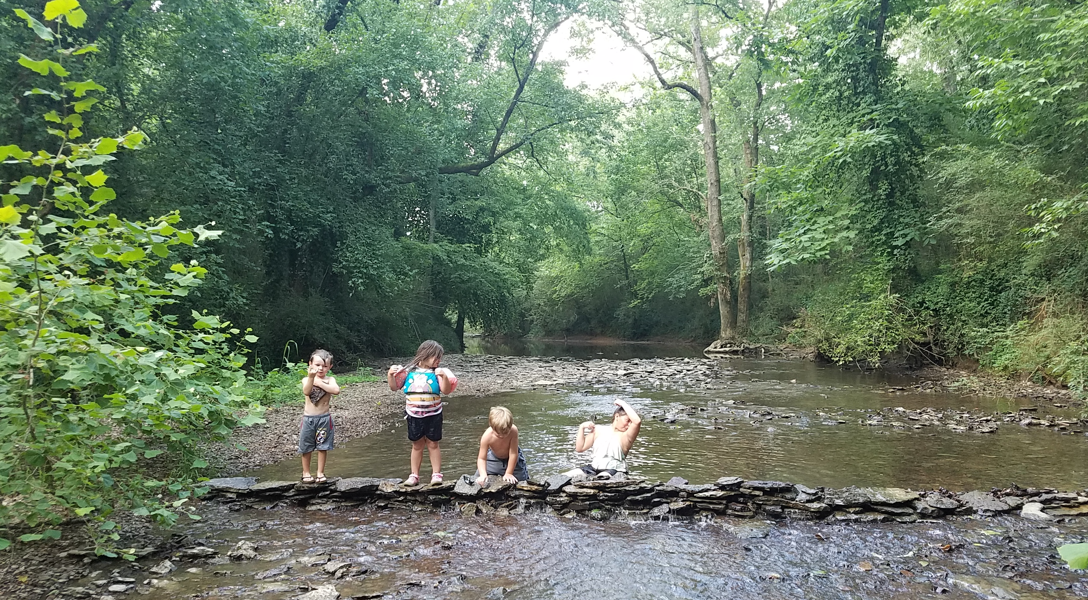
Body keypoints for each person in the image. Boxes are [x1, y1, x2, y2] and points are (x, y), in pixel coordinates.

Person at [387, 340, 457, 485]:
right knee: (417, 445)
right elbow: (394, 387)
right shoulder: (408, 373)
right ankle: (414, 475)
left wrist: (443, 377)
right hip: (414, 415)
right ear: (425, 355)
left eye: (440, 358)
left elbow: (445, 390)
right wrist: (390, 375)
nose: (438, 361)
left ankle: (436, 474)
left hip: (434, 414)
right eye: (436, 357)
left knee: (433, 444)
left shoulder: (437, 373)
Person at [565, 399, 642, 478]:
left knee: (602, 477)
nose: (629, 425)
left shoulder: (626, 436)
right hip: (593, 468)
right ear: (617, 416)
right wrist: (581, 428)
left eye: (631, 422)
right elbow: (580, 448)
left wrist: (623, 403)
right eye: (627, 420)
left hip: (615, 470)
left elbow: (637, 421)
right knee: (566, 476)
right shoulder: (598, 429)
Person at [300, 349, 340, 483]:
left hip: (324, 419)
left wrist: (320, 383)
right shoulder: (307, 379)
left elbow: (336, 390)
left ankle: (320, 473)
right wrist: (312, 379)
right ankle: (306, 472)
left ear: (330, 367)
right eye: (317, 365)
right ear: (310, 364)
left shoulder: (330, 379)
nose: (320, 368)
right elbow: (306, 391)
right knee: (306, 446)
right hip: (308, 419)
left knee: (323, 446)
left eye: (324, 366)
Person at [474, 406, 529, 485]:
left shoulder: (514, 430)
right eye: (498, 434)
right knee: (477, 479)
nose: (502, 436)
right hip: (493, 458)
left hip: (512, 459)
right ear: (492, 427)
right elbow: (482, 458)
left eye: (506, 433)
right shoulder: (487, 436)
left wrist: (509, 473)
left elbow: (513, 454)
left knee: (521, 481)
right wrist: (483, 474)